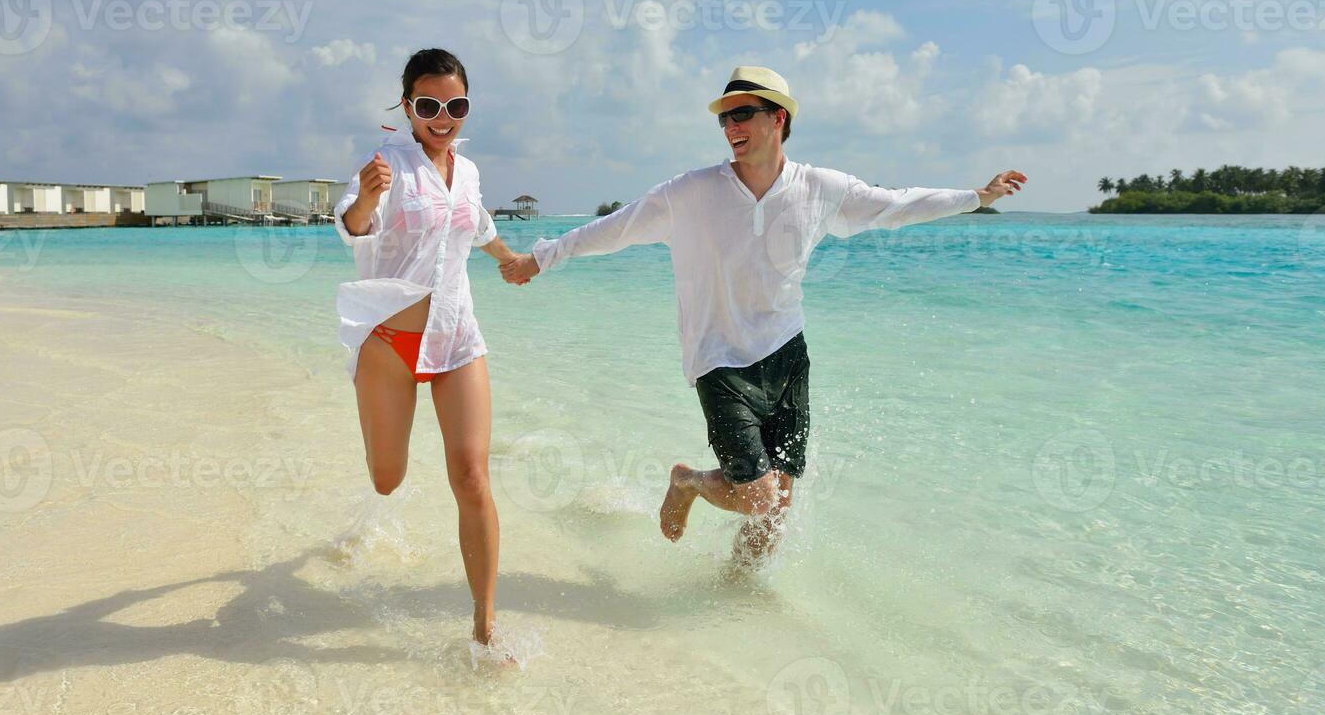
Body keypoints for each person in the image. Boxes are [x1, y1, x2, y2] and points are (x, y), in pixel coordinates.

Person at [501, 66, 1026, 566]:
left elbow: (895, 206)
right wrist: (540, 258)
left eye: (742, 114)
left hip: (786, 355)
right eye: (724, 119)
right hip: (718, 360)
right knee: (757, 499)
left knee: (776, 510)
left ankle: (737, 597)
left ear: (778, 119)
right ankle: (687, 481)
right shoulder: (690, 192)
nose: (730, 127)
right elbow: (613, 229)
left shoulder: (821, 188)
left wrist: (976, 196)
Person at [335, 48, 531, 645]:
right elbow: (353, 223)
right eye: (428, 105)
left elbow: (479, 225)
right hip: (391, 343)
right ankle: (376, 436)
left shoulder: (467, 173)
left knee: (472, 477)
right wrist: (368, 198)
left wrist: (511, 261)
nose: (442, 117)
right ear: (407, 106)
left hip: (457, 340)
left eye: (456, 105)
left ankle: (485, 626)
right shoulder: (386, 164)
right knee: (387, 480)